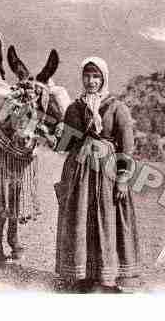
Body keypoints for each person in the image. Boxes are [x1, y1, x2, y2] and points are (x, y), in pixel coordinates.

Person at [54, 57, 141, 293]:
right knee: (80, 218)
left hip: (108, 171)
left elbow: (127, 147)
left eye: (96, 76)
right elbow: (65, 145)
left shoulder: (117, 108)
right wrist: (58, 131)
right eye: (87, 76)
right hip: (80, 172)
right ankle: (81, 275)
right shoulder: (74, 107)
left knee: (106, 218)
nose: (91, 81)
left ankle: (107, 278)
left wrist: (123, 179)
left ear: (103, 78)